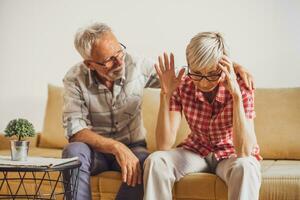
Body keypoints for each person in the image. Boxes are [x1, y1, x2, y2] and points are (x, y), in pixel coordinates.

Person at [61, 22, 253, 200]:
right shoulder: (74, 79)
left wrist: (230, 66)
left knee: (144, 160)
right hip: (96, 151)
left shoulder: (136, 65)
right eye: (109, 60)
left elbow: (183, 73)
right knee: (73, 151)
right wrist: (116, 147)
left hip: (134, 147)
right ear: (90, 64)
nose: (119, 61)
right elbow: (75, 130)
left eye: (119, 52)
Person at [143, 32, 262, 200]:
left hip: (231, 155)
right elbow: (164, 145)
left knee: (246, 166)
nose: (204, 83)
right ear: (189, 66)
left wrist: (236, 96)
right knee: (156, 160)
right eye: (197, 73)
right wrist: (165, 94)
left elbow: (244, 151)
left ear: (224, 66)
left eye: (212, 74)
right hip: (197, 152)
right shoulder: (183, 84)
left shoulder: (241, 85)